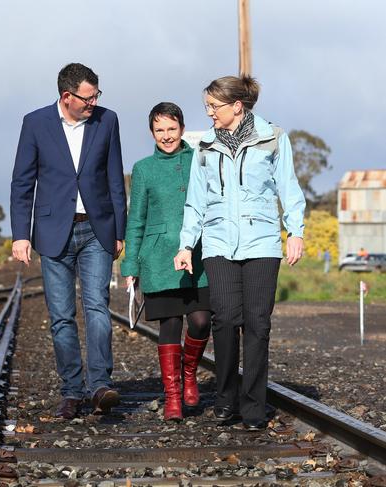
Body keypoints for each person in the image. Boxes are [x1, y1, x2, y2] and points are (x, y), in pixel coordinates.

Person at [174, 75, 305, 431]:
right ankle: (226, 398)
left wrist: (295, 232)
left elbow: (288, 188)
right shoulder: (205, 146)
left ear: (237, 106)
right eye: (207, 107)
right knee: (226, 320)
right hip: (218, 243)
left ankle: (252, 408)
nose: (209, 114)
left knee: (258, 325)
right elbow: (195, 201)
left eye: (214, 107)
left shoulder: (273, 138)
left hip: (262, 242)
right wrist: (187, 244)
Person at [10, 63, 127, 420]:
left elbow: (115, 179)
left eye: (96, 95)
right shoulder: (35, 123)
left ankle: (99, 386)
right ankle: (72, 391)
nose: (94, 102)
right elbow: (22, 183)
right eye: (88, 97)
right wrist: (20, 235)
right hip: (52, 232)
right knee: (61, 318)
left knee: (97, 308)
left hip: (96, 229)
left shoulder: (107, 121)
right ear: (67, 96)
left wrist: (119, 230)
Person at [121, 103, 211, 421]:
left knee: (201, 320)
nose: (166, 136)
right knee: (170, 326)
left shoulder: (199, 159)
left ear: (183, 129)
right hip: (158, 258)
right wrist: (130, 265)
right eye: (160, 130)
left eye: (172, 129)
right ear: (152, 133)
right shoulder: (143, 168)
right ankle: (173, 397)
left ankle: (189, 373)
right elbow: (136, 220)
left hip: (198, 255)